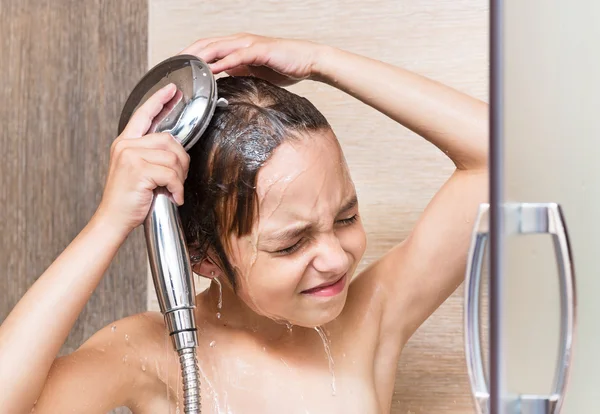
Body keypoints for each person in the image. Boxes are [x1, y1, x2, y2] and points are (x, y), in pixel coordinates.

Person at [0, 33, 487, 413]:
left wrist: (321, 61)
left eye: (346, 217)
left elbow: (501, 160)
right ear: (203, 255)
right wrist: (109, 222)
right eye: (290, 244)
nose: (337, 257)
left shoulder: (368, 319)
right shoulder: (152, 353)